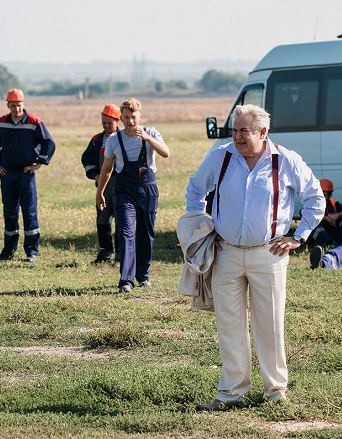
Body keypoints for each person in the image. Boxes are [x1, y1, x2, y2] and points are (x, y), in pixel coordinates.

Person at [186, 104, 325, 410]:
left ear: (263, 132)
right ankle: (231, 393)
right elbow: (195, 189)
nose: (237, 137)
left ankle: (275, 391)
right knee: (229, 324)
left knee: (270, 324)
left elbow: (315, 197)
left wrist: (298, 237)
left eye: (243, 131)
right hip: (226, 254)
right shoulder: (220, 156)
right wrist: (203, 227)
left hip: (269, 254)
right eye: (235, 130)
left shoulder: (285, 160)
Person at [96, 98, 170, 292]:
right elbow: (106, 169)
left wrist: (147, 138)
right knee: (126, 233)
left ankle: (143, 275)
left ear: (140, 117)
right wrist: (100, 193)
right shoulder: (114, 140)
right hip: (124, 191)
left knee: (145, 233)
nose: (130, 122)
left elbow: (166, 153)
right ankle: (126, 280)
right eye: (126, 118)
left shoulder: (151, 133)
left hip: (148, 189)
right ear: (120, 118)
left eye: (134, 117)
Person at [0, 88, 56, 262]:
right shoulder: (2, 122)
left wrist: (39, 164)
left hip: (25, 175)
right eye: (12, 105)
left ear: (23, 104)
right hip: (7, 175)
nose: (16, 109)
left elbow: (49, 143)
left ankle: (31, 252)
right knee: (9, 213)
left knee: (29, 213)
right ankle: (8, 251)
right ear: (8, 105)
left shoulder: (34, 122)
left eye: (18, 105)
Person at [82, 103, 122, 264]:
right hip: (104, 187)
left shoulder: (124, 138)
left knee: (121, 220)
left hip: (121, 186)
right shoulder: (97, 140)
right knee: (102, 219)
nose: (106, 125)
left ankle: (121, 254)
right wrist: (95, 175)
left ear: (117, 121)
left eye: (109, 122)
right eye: (103, 122)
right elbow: (87, 159)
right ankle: (105, 253)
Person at [308, 178, 342, 248]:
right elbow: (306, 214)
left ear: (330, 195)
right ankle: (327, 245)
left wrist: (337, 215)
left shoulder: (333, 203)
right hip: (318, 237)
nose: (322, 198)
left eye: (325, 195)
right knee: (311, 222)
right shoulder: (312, 204)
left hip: (332, 233)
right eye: (320, 195)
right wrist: (326, 218)